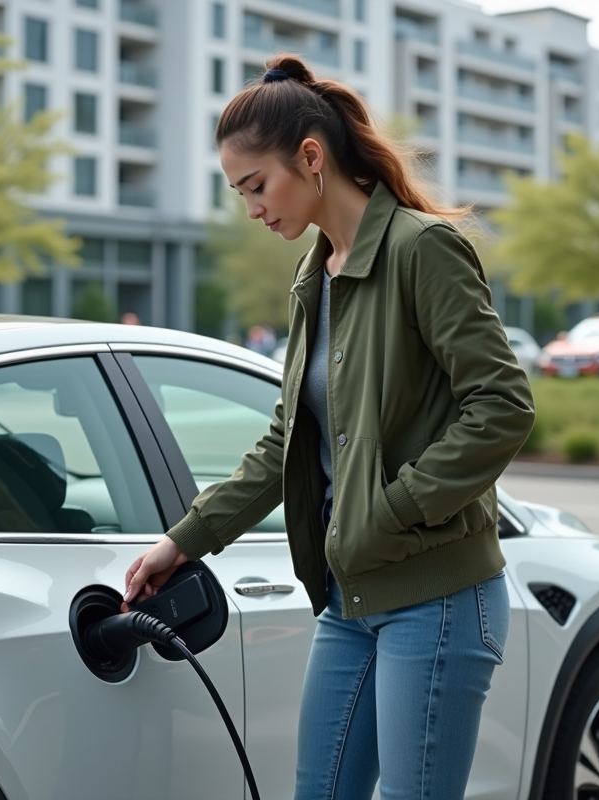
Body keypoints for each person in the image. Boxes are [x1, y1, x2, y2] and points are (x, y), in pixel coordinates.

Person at [122, 54, 534, 800]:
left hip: (437, 599)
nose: (252, 208)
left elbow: (502, 405)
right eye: (240, 192)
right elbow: (288, 439)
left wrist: (395, 508)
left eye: (257, 186)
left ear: (310, 158)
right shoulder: (315, 279)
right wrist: (183, 540)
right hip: (349, 603)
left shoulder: (420, 249)